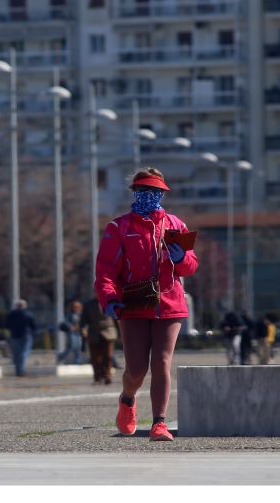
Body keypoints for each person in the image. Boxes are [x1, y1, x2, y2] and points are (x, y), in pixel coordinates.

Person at [94, 167, 199, 441]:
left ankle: (159, 423)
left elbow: (190, 267)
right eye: (143, 191)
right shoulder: (119, 227)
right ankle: (127, 398)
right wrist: (109, 298)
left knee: (162, 361)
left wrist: (180, 257)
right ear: (134, 193)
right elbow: (105, 269)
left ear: (163, 195)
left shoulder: (176, 225)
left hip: (169, 302)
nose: (148, 196)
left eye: (155, 192)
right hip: (134, 303)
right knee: (137, 369)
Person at [80, 297, 118, 385]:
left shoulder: (110, 303)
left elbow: (116, 318)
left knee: (108, 356)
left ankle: (107, 375)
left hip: (108, 332)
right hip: (94, 333)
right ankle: (98, 376)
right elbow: (83, 320)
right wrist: (83, 330)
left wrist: (121, 333)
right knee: (95, 357)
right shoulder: (88, 304)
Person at [5, 299, 36, 377]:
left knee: (16, 353)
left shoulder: (11, 314)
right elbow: (33, 325)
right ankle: (21, 370)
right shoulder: (28, 314)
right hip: (26, 334)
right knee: (24, 352)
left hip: (14, 335)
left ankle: (18, 370)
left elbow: (7, 325)